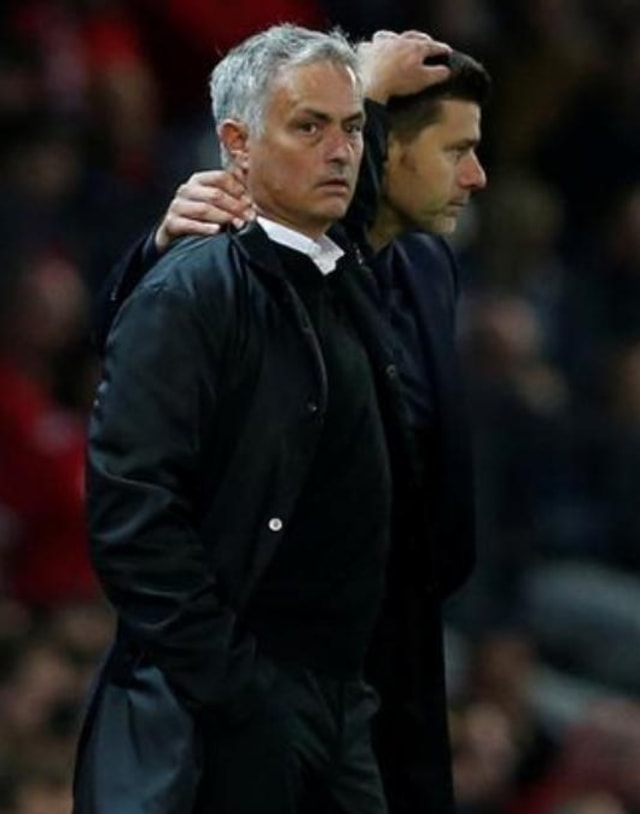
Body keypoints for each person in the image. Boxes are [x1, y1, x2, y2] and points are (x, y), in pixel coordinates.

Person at [73, 22, 471, 814]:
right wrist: (235, 686)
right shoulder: (194, 285)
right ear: (236, 145)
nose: (341, 151)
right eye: (309, 126)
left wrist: (367, 83)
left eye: (353, 128)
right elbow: (132, 514)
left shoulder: (340, 275)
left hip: (339, 702)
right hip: (222, 706)